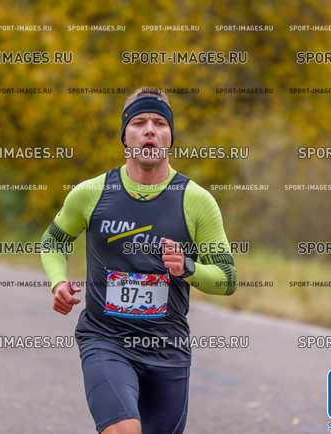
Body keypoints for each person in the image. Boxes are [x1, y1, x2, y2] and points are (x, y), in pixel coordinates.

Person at [40, 88, 238, 434]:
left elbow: (227, 278)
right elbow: (53, 241)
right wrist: (58, 282)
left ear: (170, 137)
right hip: (106, 339)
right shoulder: (92, 193)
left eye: (160, 123)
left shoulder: (196, 201)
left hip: (167, 349)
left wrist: (188, 267)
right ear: (124, 136)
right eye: (139, 122)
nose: (149, 129)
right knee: (124, 429)